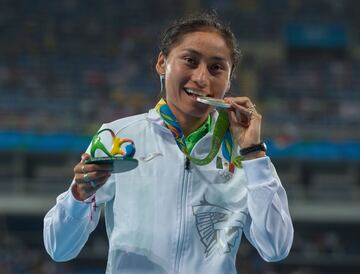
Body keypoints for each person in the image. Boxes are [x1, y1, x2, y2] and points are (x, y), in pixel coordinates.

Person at [43, 12, 293, 274]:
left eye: (216, 67)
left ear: (229, 79)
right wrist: (78, 198)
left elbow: (275, 248)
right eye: (190, 60)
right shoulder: (118, 137)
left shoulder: (244, 154)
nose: (201, 78)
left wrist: (253, 153)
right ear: (162, 63)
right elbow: (59, 248)